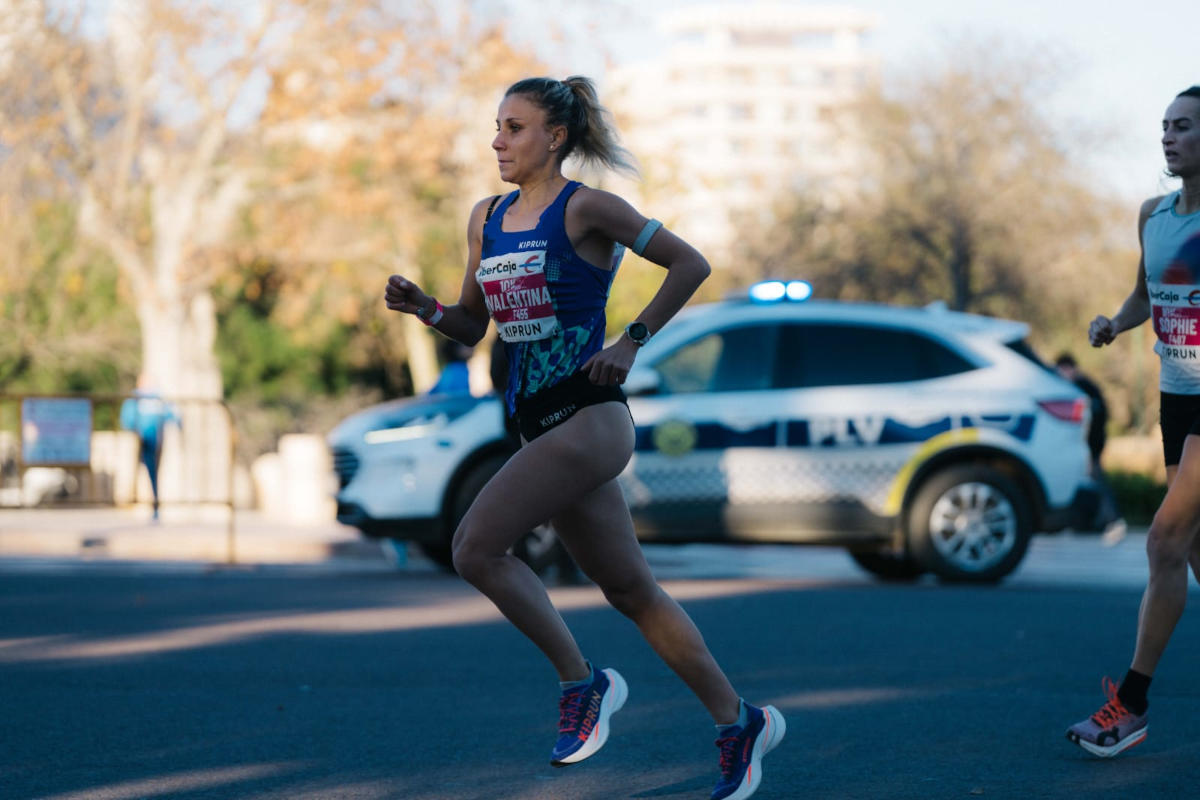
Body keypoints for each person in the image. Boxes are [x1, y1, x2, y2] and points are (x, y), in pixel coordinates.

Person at [385, 75, 784, 799]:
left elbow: (691, 263)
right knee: (631, 591)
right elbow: (476, 327)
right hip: (536, 421)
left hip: (589, 416)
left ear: (556, 137)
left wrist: (631, 341)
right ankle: (740, 721)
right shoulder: (488, 219)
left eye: (515, 127)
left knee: (475, 548)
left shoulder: (587, 208)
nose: (498, 140)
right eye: (497, 127)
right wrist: (427, 308)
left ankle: (585, 683)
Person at [1066, 85, 1200, 758]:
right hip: (1176, 397)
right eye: (1165, 127)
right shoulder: (1153, 215)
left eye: (1183, 127)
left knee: (1164, 541)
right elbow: (1147, 293)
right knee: (1195, 551)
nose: (1169, 138)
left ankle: (1133, 704)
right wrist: (1114, 323)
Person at [1054, 352, 1123, 535]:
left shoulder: (1082, 389)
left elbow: (1096, 421)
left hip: (1090, 444)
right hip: (1086, 445)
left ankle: (1113, 519)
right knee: (1088, 482)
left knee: (1097, 481)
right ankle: (1088, 523)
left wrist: (1091, 450)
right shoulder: (1081, 387)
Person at [119, 375, 180, 521]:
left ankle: (154, 505)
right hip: (142, 440)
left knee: (153, 474)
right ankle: (141, 503)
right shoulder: (137, 398)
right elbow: (127, 419)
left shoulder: (157, 398)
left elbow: (172, 414)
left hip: (155, 441)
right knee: (143, 473)